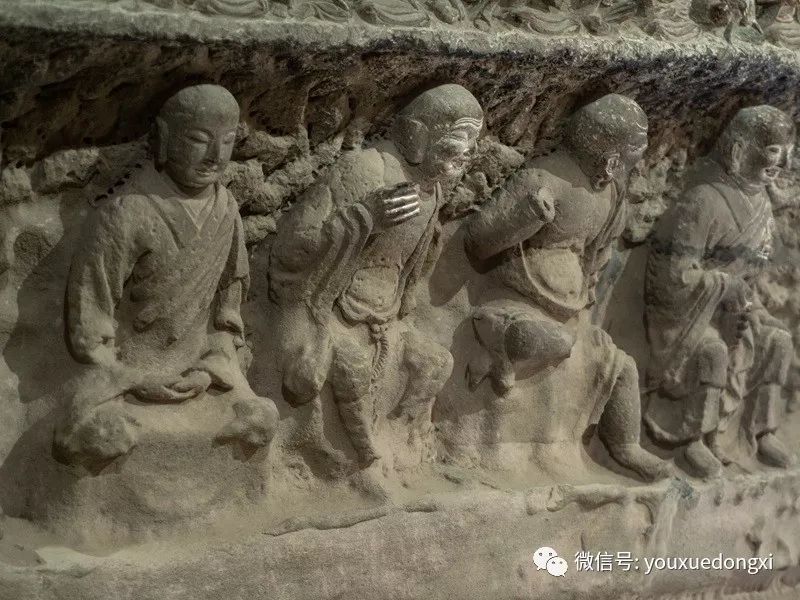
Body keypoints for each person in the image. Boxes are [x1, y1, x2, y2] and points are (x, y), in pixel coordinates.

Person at [56, 84, 279, 465]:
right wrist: (137, 378)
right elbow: (89, 329)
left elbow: (225, 318)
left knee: (262, 421)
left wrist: (209, 369)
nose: (215, 156)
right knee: (101, 437)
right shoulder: (126, 212)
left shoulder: (226, 210)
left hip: (199, 369)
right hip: (125, 371)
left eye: (227, 141)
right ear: (164, 136)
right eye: (199, 140)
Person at [269, 84, 483, 468]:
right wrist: (364, 217)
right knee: (349, 367)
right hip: (326, 310)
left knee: (436, 363)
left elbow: (410, 263)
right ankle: (360, 458)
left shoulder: (432, 191)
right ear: (417, 135)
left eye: (469, 152)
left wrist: (406, 300)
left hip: (384, 318)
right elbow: (292, 246)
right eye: (452, 148)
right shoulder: (367, 170)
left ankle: (400, 441)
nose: (460, 161)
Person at [463, 94, 671, 482]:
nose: (632, 167)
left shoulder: (609, 195)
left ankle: (624, 446)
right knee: (547, 341)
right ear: (610, 157)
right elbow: (477, 242)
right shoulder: (543, 180)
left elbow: (595, 260)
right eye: (631, 157)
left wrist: (586, 311)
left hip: (569, 311)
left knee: (621, 366)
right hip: (517, 301)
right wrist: (522, 218)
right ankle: (501, 354)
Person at [644, 105, 795, 478]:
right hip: (688, 315)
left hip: (733, 307)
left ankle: (759, 430)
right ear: (740, 149)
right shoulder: (703, 200)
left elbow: (751, 279)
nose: (783, 163)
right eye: (774, 150)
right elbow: (672, 275)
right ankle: (693, 437)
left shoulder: (763, 209)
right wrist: (724, 287)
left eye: (788, 152)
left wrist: (752, 309)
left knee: (778, 339)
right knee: (712, 351)